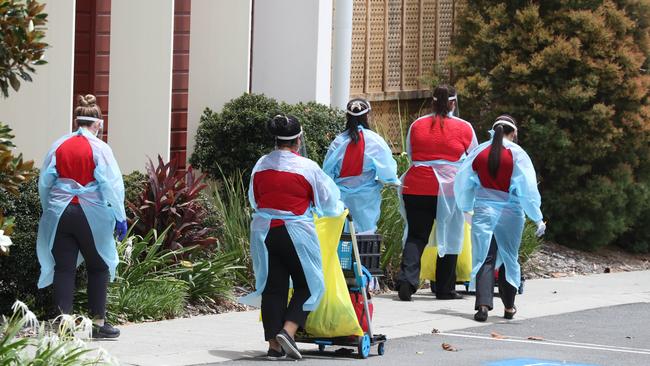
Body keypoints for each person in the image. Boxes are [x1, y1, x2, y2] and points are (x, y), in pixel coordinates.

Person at [239, 115, 344, 360]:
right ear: (298, 139)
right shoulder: (307, 167)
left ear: (275, 139)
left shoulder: (261, 164)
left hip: (264, 232)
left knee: (273, 287)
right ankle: (289, 330)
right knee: (309, 283)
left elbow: (254, 198)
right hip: (296, 232)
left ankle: (274, 347)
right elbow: (328, 202)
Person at [36, 94, 128, 338]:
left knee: (64, 268)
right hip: (90, 213)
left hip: (59, 211)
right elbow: (112, 185)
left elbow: (45, 182)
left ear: (77, 121)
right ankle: (99, 324)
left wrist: (50, 210)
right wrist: (120, 216)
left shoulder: (58, 145)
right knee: (99, 266)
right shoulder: (100, 148)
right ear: (97, 124)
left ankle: (63, 324)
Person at [454, 115, 545, 322]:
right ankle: (509, 306)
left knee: (485, 256)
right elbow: (528, 190)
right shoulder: (518, 154)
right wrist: (537, 217)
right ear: (513, 133)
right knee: (509, 257)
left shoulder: (479, 151)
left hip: (484, 208)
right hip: (510, 212)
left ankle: (483, 305)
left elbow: (463, 181)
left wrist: (466, 207)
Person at [397, 85, 477, 301]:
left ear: (432, 102)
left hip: (416, 186)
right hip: (450, 191)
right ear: (453, 103)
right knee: (451, 236)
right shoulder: (464, 127)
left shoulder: (417, 125)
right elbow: (473, 160)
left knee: (416, 235)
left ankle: (407, 280)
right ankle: (444, 288)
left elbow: (412, 155)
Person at [323, 98, 399, 234]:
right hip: (366, 201)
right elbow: (388, 174)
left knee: (342, 240)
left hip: (340, 201)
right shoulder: (376, 141)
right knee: (364, 240)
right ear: (367, 116)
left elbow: (327, 173)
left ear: (347, 116)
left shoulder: (338, 142)